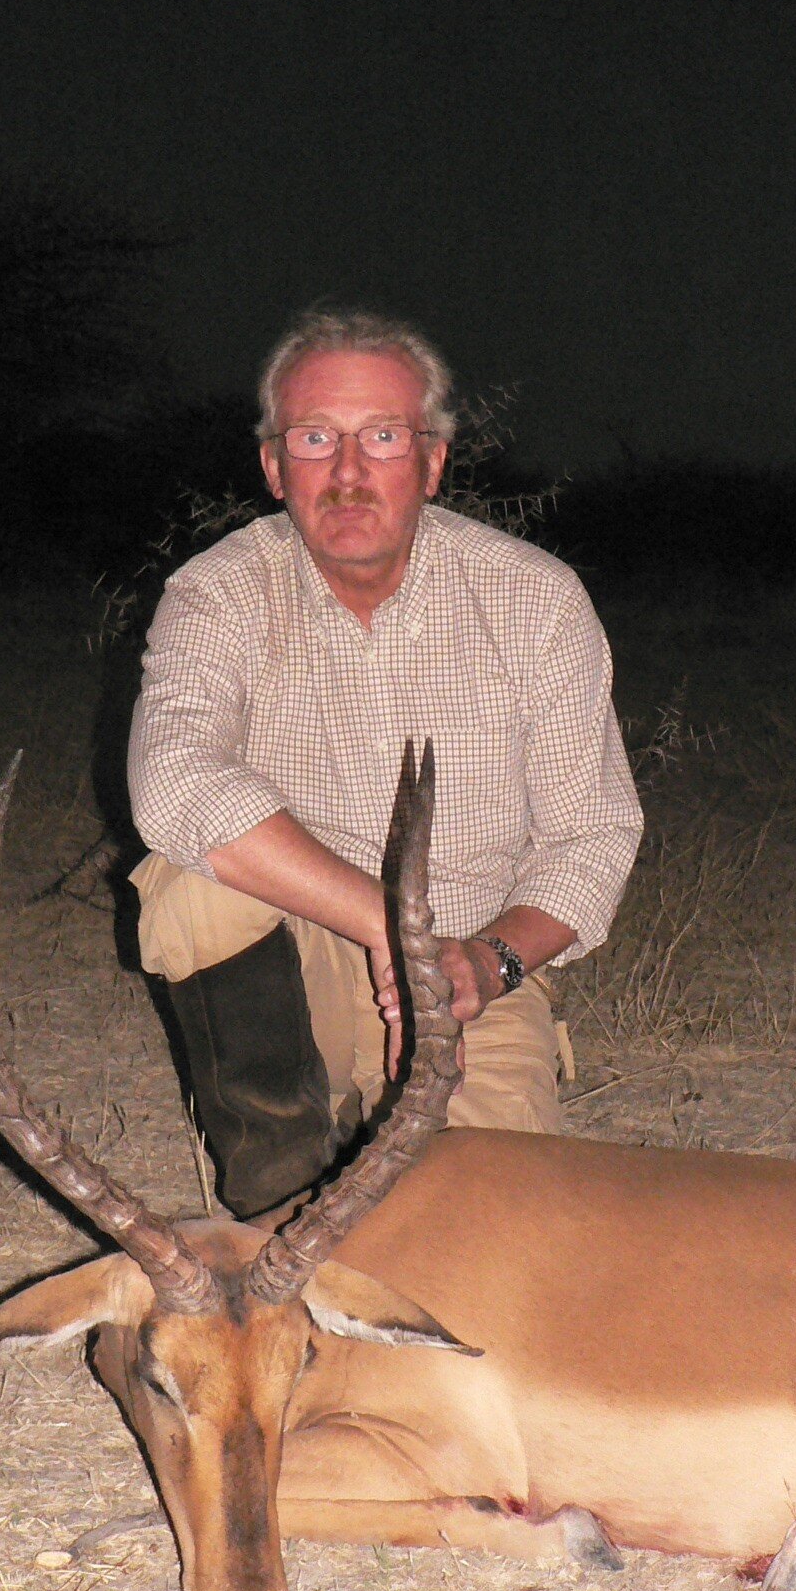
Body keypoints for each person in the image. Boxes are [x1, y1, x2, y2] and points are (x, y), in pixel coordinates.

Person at [127, 310, 643, 1217]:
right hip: (303, 957)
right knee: (193, 886)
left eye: (385, 437)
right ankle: (274, 1198)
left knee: (486, 1243)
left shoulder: (536, 600)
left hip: (468, 974)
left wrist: (482, 964)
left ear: (434, 461)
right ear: (274, 466)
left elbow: (593, 838)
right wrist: (384, 927)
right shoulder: (217, 592)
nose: (350, 472)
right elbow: (174, 782)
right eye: (316, 438)